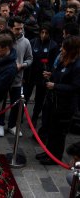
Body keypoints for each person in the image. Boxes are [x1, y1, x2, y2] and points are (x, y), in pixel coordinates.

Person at [35, 36, 80, 165]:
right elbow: (59, 74)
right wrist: (51, 75)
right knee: (50, 128)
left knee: (58, 133)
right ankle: (48, 152)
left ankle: (55, 156)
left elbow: (75, 87)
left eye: (64, 48)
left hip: (65, 106)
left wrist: (55, 86)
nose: (61, 49)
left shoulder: (77, 66)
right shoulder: (63, 59)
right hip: (54, 102)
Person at [0, 16, 33, 137]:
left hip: (18, 79)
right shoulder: (5, 40)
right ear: (11, 28)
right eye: (17, 29)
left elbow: (30, 58)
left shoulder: (26, 42)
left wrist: (23, 65)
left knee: (16, 104)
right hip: (4, 78)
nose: (20, 31)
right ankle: (0, 124)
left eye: (21, 28)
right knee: (1, 103)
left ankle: (12, 125)